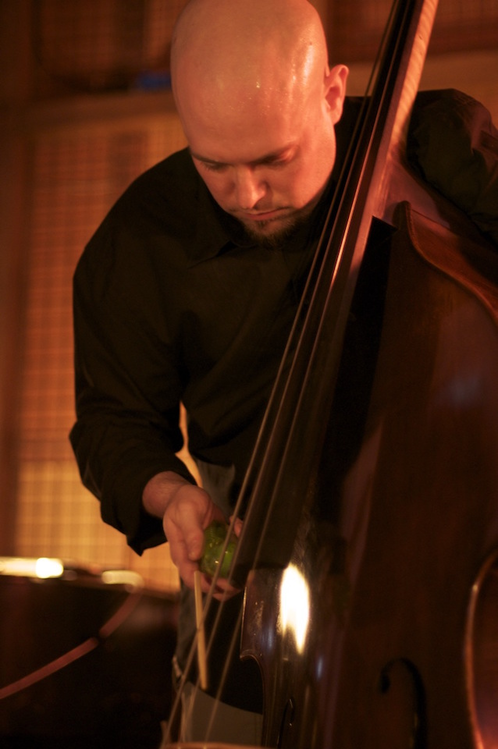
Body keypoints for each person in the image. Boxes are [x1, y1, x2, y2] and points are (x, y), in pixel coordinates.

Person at [70, 0, 498, 744]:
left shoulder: (436, 147)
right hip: (246, 558)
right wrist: (170, 494)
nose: (248, 196)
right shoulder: (141, 239)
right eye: (214, 164)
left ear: (331, 94)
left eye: (273, 159)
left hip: (436, 562)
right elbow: (113, 424)